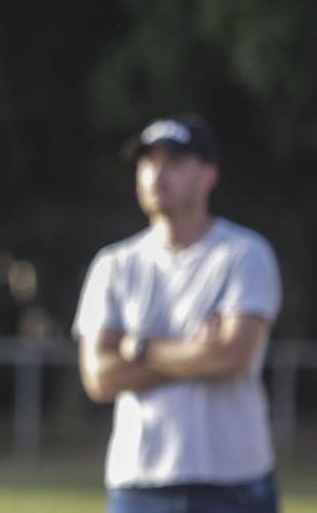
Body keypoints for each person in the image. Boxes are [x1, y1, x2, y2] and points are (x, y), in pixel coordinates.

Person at [74, 114, 282, 513]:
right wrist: (193, 352)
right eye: (148, 162)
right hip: (140, 484)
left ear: (208, 176)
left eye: (174, 162)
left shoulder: (243, 255)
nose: (157, 173)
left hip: (234, 483)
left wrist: (136, 348)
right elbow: (99, 377)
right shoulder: (114, 264)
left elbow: (232, 357)